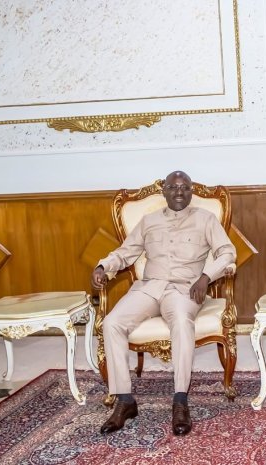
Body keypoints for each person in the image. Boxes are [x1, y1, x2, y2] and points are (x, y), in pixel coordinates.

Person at [91, 170, 236, 436]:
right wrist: (103, 266)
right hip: (149, 287)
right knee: (112, 323)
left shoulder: (206, 219)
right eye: (173, 187)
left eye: (185, 187)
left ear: (191, 192)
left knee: (181, 321)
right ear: (164, 191)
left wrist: (206, 277)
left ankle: (180, 400)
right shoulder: (149, 221)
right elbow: (125, 253)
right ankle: (124, 400)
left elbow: (228, 253)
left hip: (185, 289)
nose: (179, 192)